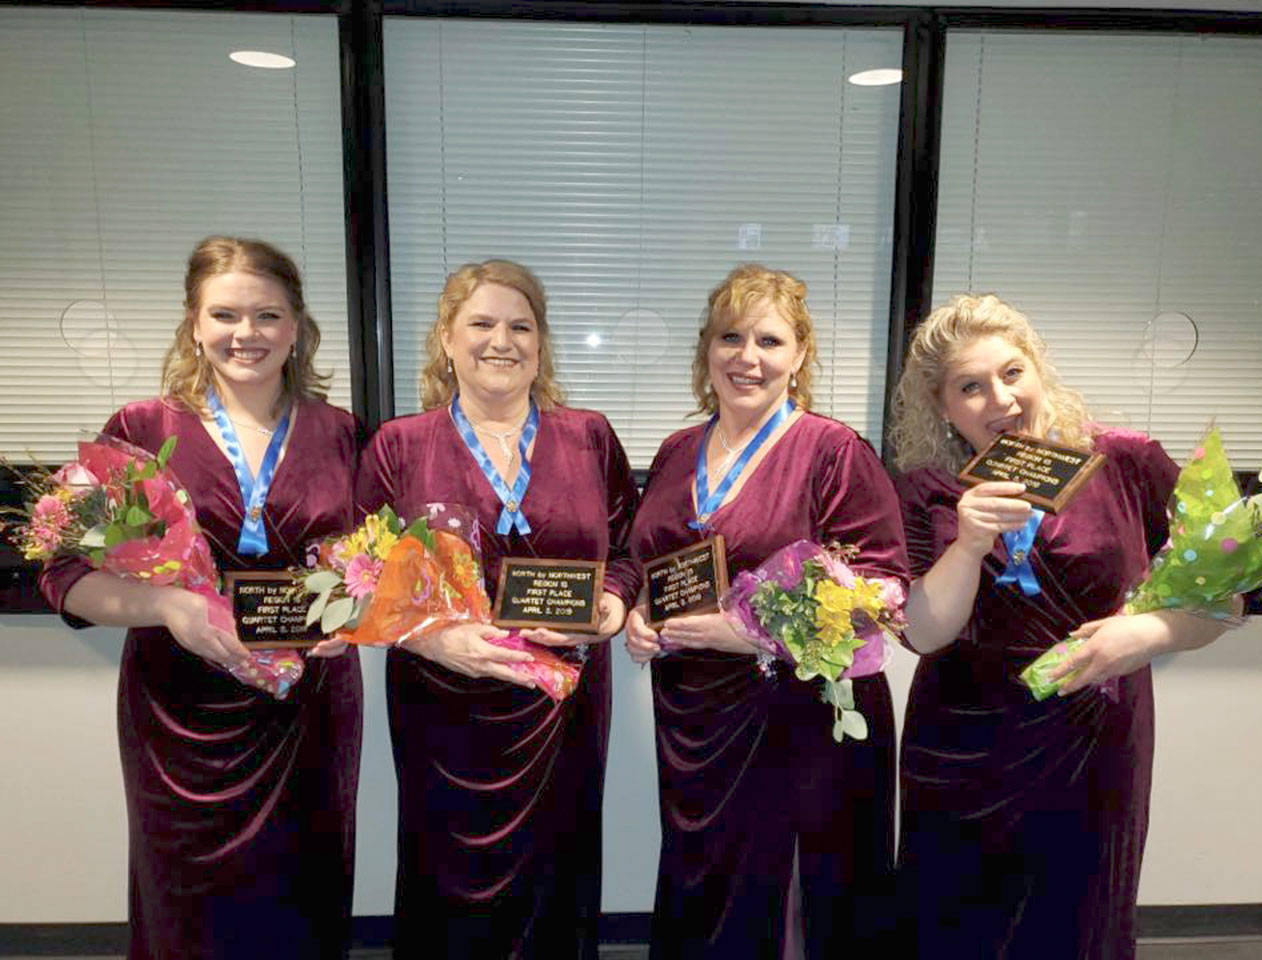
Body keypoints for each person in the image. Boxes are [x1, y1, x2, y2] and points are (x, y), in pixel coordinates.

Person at [38, 236, 362, 960]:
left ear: (298, 327)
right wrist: (169, 608)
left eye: (268, 315)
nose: (246, 334)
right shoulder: (140, 428)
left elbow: (373, 564)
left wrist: (359, 614)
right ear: (194, 323)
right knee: (187, 900)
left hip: (308, 708)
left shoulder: (340, 432)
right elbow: (64, 573)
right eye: (226, 314)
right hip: (181, 713)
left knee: (304, 892)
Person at [889, 293, 1235, 960]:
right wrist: (965, 543)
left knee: (1076, 923)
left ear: (1037, 368)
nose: (1001, 399)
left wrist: (1148, 635)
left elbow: (1225, 595)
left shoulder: (1128, 462)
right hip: (961, 747)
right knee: (952, 924)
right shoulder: (928, 487)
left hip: (1095, 741)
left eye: (1012, 372)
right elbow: (924, 635)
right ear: (943, 406)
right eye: (971, 386)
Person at [623, 264, 908, 958]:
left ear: (799, 356)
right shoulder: (674, 451)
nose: (747, 357)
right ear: (707, 349)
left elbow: (882, 588)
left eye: (770, 341)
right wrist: (638, 610)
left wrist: (749, 632)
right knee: (705, 884)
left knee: (789, 900)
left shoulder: (832, 451)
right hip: (692, 716)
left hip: (799, 719)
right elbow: (652, 556)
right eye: (731, 337)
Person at [356, 259, 639, 959]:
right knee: (447, 872)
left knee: (561, 863)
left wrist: (609, 606)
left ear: (540, 346)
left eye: (520, 325)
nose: (500, 340)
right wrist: (429, 640)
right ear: (447, 340)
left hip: (563, 703)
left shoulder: (589, 437)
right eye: (480, 323)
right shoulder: (400, 445)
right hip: (442, 703)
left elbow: (633, 546)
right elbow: (357, 574)